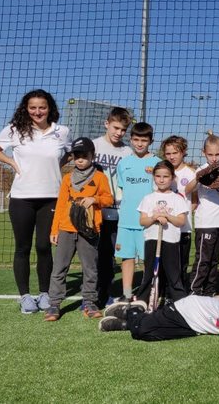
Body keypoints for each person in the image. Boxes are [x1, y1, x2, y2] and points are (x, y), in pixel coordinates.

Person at [0, 89, 71, 314]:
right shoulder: (14, 130)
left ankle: (45, 294)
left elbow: (70, 153)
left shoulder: (62, 132)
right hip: (21, 198)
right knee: (22, 248)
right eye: (33, 107)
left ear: (49, 108)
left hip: (52, 197)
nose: (37, 111)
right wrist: (12, 164)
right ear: (27, 109)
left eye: (42, 107)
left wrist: (57, 167)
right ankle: (24, 296)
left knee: (44, 247)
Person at [99, 269, 219, 347]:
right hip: (186, 310)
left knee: (149, 336)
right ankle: (133, 311)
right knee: (141, 330)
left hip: (195, 327)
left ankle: (126, 323)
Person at [45, 137, 113, 320]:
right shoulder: (67, 178)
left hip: (89, 230)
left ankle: (90, 303)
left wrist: (95, 199)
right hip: (66, 229)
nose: (80, 159)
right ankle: (54, 304)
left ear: (92, 156)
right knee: (59, 268)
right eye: (77, 156)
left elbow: (109, 199)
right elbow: (60, 205)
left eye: (84, 155)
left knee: (90, 268)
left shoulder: (99, 177)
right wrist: (54, 230)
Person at [115, 122, 160, 303]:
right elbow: (121, 191)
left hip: (147, 222)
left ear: (150, 141)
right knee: (127, 257)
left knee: (147, 260)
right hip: (126, 220)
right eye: (136, 139)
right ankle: (126, 294)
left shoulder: (156, 163)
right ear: (131, 140)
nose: (140, 144)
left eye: (144, 140)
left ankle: (145, 294)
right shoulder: (124, 163)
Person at [93, 107, 133, 306]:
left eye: (123, 130)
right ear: (106, 124)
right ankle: (93, 294)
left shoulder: (127, 152)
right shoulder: (94, 146)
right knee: (96, 254)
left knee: (112, 255)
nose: (119, 133)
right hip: (97, 211)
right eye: (116, 127)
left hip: (119, 211)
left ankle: (107, 293)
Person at [137, 160, 190, 308]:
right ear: (153, 177)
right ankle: (142, 302)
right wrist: (154, 217)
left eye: (166, 176)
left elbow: (181, 221)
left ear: (172, 178)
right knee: (149, 273)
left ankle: (181, 305)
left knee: (173, 275)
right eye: (158, 176)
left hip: (170, 241)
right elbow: (142, 221)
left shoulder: (177, 199)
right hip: (152, 240)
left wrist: (167, 217)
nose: (161, 179)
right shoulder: (148, 198)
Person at [186, 132, 219, 296]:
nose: (214, 158)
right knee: (203, 260)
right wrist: (198, 178)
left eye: (217, 154)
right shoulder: (201, 170)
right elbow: (187, 190)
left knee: (214, 260)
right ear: (204, 152)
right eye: (210, 154)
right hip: (206, 224)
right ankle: (194, 291)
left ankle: (209, 290)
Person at [161, 135, 196, 283]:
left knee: (181, 263)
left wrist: (183, 213)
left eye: (175, 153)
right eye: (168, 153)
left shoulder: (190, 173)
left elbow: (195, 201)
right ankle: (163, 292)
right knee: (165, 263)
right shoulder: (162, 171)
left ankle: (178, 293)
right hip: (164, 227)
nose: (171, 157)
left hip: (183, 228)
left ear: (183, 152)